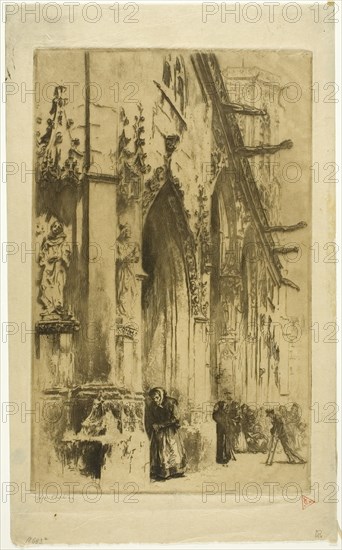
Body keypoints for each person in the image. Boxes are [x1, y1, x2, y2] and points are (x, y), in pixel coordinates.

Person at [147, 387, 187, 480]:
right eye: (153, 398)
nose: (155, 400)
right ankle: (161, 471)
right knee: (161, 450)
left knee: (172, 449)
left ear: (161, 395)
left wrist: (161, 425)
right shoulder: (153, 405)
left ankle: (175, 471)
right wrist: (154, 425)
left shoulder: (171, 402)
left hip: (170, 430)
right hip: (159, 432)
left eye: (157, 397)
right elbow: (151, 418)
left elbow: (175, 418)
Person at [39, 220, 71, 318]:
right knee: (44, 284)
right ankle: (49, 306)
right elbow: (42, 254)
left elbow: (66, 253)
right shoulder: (47, 241)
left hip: (58, 266)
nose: (56, 228)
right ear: (51, 227)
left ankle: (57, 306)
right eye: (55, 226)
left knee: (58, 285)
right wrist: (47, 259)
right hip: (49, 266)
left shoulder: (63, 241)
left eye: (58, 227)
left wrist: (60, 256)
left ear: (61, 229)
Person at [212, 396, 235, 466]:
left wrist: (229, 422)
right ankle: (220, 458)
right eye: (227, 399)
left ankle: (227, 457)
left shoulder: (229, 406)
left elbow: (229, 416)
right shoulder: (218, 405)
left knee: (227, 442)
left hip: (227, 427)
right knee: (220, 442)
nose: (229, 401)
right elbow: (214, 415)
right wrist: (221, 422)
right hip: (220, 427)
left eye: (230, 400)